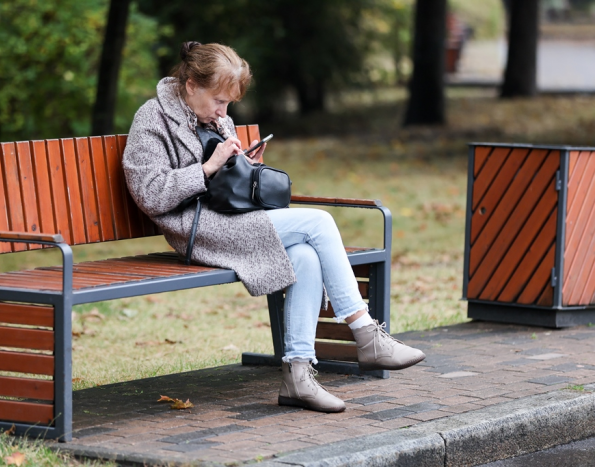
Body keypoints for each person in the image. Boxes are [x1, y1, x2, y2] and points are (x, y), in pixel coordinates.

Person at [123, 41, 425, 413]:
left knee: (305, 257)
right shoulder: (151, 118)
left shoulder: (213, 115)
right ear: (190, 86)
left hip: (231, 220)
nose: (223, 111)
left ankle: (298, 376)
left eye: (228, 104)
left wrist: (247, 167)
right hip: (195, 228)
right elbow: (149, 194)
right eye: (218, 101)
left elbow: (228, 185)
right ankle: (365, 334)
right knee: (319, 221)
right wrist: (206, 168)